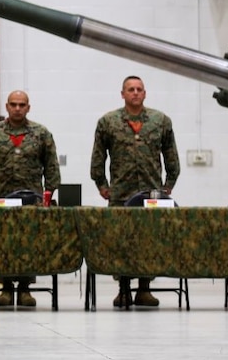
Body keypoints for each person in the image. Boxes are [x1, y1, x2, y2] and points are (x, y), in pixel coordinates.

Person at [90, 75, 180, 309]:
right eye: (130, 89)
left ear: (145, 93)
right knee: (122, 242)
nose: (135, 93)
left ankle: (144, 290)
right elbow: (98, 159)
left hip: (151, 195)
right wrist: (102, 185)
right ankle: (123, 290)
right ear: (123, 94)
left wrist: (168, 184)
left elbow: (171, 157)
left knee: (149, 241)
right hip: (120, 194)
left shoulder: (160, 121)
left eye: (139, 89)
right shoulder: (108, 122)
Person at [0, 90, 61, 307]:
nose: (18, 108)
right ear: (7, 106)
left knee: (29, 244)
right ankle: (5, 288)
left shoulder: (41, 134)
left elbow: (51, 168)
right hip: (1, 200)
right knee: (2, 243)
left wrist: (48, 195)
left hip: (32, 201)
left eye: (22, 104)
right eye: (14, 104)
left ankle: (24, 289)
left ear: (28, 107)